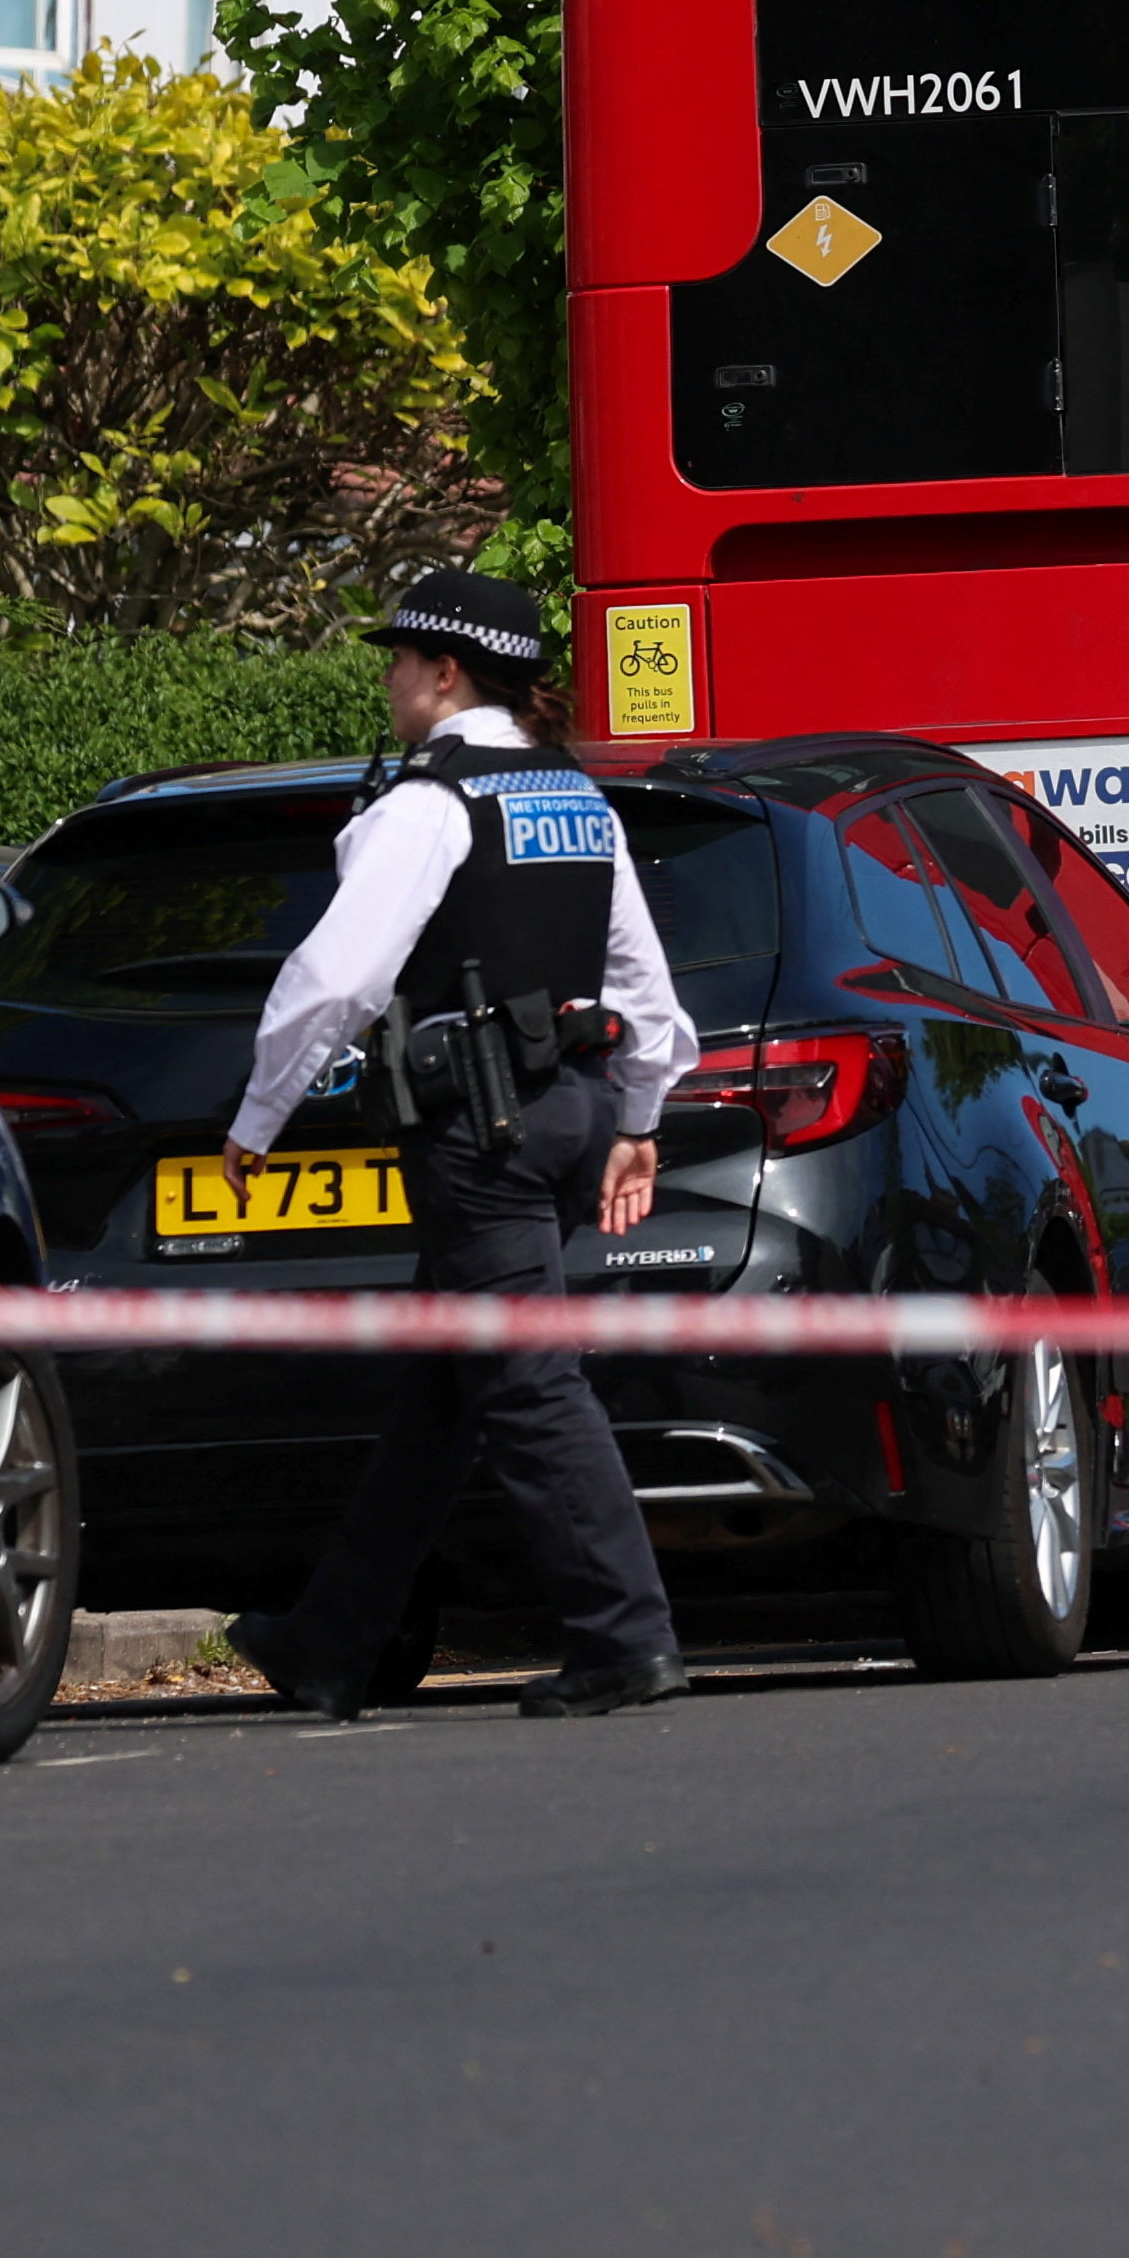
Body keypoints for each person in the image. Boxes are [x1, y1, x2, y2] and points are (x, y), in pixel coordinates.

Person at [218, 568, 702, 1721]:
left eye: (398, 659)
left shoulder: (430, 804)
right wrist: (638, 1119)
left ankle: (627, 1638)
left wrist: (257, 1118)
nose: (386, 677)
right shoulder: (576, 797)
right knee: (448, 1390)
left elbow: (338, 976)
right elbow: (643, 981)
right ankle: (331, 1643)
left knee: (528, 1385)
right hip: (571, 1114)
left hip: (478, 1131)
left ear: (445, 672)